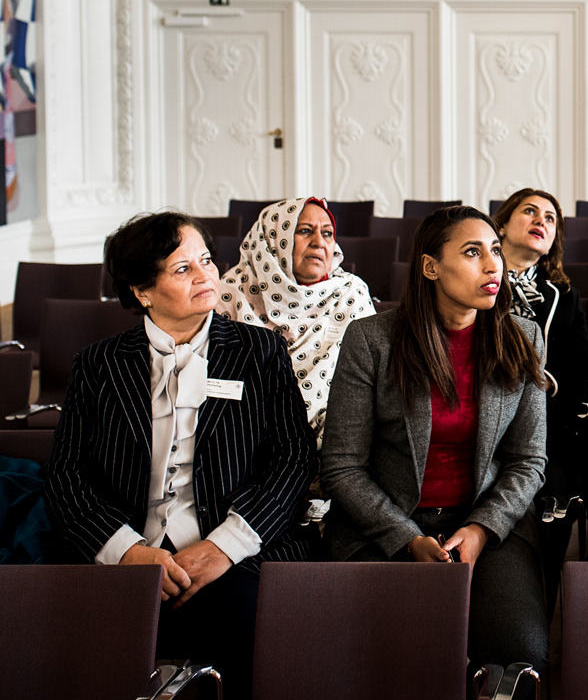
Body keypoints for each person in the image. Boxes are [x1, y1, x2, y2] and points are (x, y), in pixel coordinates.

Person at [45, 212, 317, 696]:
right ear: (140, 290)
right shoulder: (98, 363)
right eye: (182, 269)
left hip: (236, 552)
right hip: (124, 554)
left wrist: (223, 547)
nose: (206, 275)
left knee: (245, 632)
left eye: (207, 260)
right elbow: (66, 477)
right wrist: (127, 551)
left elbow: (294, 460)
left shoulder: (259, 351)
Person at [319, 206, 550, 673]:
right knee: (393, 654)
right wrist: (407, 537)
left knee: (519, 651)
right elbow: (341, 465)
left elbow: (528, 460)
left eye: (495, 252)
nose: (492, 266)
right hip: (386, 520)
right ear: (430, 267)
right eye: (472, 252)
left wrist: (482, 529)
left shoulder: (523, 336)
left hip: (485, 521)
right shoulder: (372, 340)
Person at [492, 187, 588, 613]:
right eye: (530, 211)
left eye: (551, 218)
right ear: (501, 225)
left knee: (557, 497)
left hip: (547, 424)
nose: (542, 220)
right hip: (481, 417)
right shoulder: (476, 281)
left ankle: (537, 616)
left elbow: (582, 371)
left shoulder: (564, 297)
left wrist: (541, 383)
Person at [216, 198, 377, 447]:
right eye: (304, 231)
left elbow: (371, 382)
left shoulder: (349, 293)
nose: (319, 243)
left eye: (327, 234)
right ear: (272, 239)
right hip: (245, 435)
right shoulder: (232, 292)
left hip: (335, 436)